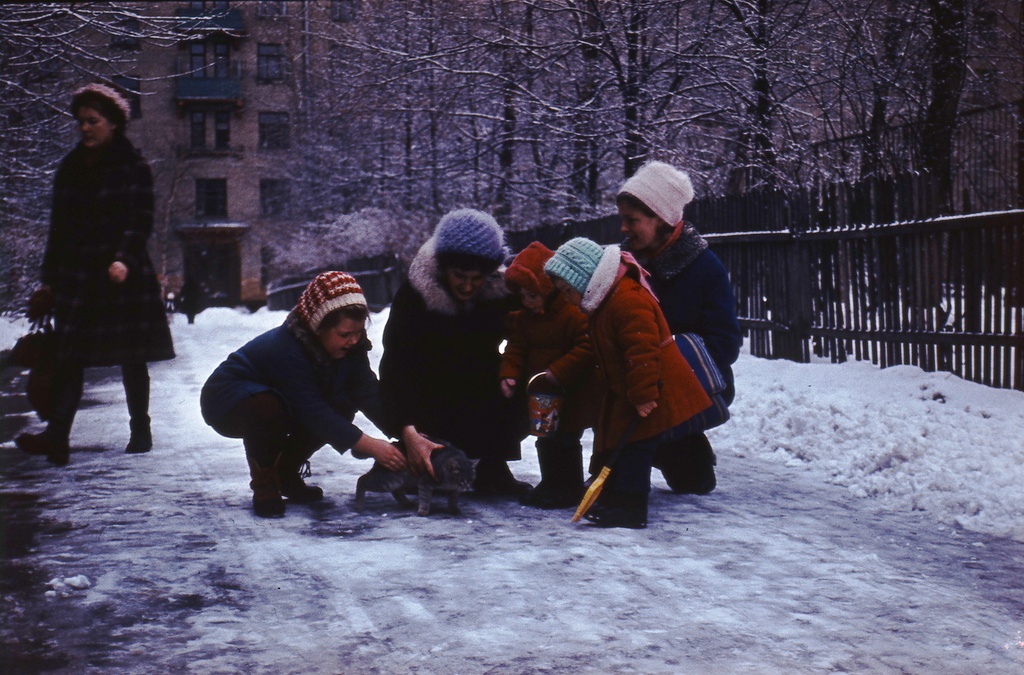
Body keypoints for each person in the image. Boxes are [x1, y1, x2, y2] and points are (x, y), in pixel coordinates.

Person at [17, 83, 175, 465]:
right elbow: (59, 228)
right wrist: (49, 281)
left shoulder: (132, 165)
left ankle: (141, 429)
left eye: (93, 121)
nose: (85, 128)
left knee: (131, 356)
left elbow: (141, 218)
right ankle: (58, 436)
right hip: (78, 275)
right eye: (81, 122)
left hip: (122, 273)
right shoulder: (70, 167)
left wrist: (124, 257)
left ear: (113, 123)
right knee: (71, 356)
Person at [200, 272, 414, 518]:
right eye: (344, 335)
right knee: (267, 408)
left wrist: (406, 434)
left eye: (358, 332)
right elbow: (312, 411)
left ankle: (285, 473)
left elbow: (367, 392)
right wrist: (372, 446)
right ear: (318, 326)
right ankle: (265, 483)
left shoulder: (352, 347)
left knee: (340, 407)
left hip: (281, 399)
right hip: (229, 399)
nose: (353, 341)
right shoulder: (288, 348)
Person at [544, 237, 711, 528]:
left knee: (635, 448)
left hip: (651, 389)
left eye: (567, 291)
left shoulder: (627, 299)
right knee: (617, 442)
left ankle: (631, 508)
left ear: (584, 280)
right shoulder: (605, 300)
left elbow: (643, 350)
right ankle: (613, 498)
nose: (567, 299)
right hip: (629, 390)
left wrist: (644, 394)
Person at [379, 209, 530, 497]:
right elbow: (395, 366)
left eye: (478, 277)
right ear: (442, 267)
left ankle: (492, 466)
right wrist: (406, 427)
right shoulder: (415, 296)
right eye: (459, 275)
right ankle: (427, 458)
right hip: (427, 393)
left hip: (480, 389)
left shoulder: (498, 292)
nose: (468, 286)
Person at [617, 161, 742, 495]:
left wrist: (667, 365)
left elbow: (724, 343)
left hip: (683, 382)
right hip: (630, 377)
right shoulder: (622, 264)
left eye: (633, 221)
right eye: (623, 220)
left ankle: (682, 444)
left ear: (661, 219)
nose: (624, 229)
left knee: (692, 483)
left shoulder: (704, 268)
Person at [500, 242, 597, 509]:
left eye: (533, 295)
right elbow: (515, 348)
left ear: (548, 288)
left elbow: (587, 346)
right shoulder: (524, 319)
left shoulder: (572, 314)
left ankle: (568, 487)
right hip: (541, 394)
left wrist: (558, 371)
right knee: (545, 439)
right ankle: (551, 482)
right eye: (522, 296)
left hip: (570, 393)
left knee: (565, 439)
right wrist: (510, 374)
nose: (527, 302)